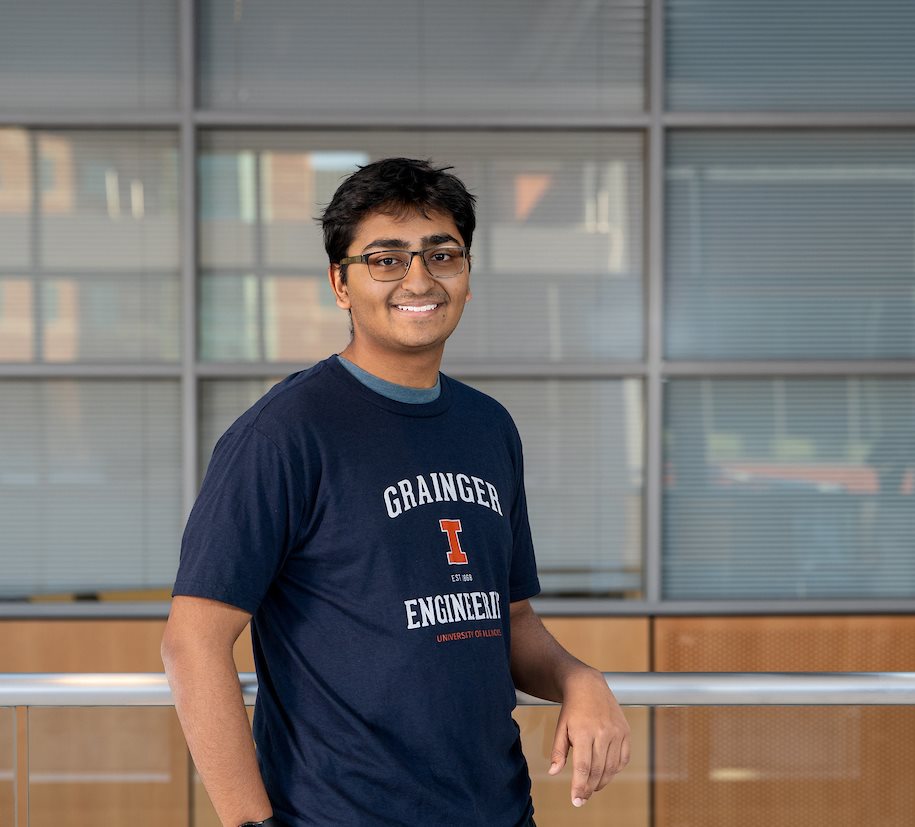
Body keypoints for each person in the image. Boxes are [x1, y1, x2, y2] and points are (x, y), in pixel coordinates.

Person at [162, 158, 630, 827]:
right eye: (385, 258)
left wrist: (578, 678)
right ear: (340, 284)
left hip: (497, 811)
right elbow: (193, 642)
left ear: (466, 277)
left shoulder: (487, 426)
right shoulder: (284, 433)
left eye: (441, 254)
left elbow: (511, 621)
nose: (419, 278)